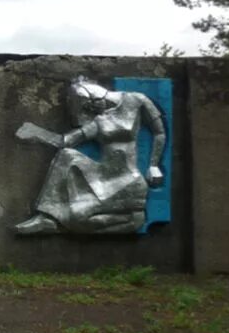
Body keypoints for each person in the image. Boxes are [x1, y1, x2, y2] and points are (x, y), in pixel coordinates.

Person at [14, 77, 166, 235]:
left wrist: (154, 165)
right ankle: (46, 217)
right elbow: (65, 141)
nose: (90, 110)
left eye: (86, 105)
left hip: (128, 180)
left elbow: (159, 132)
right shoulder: (100, 121)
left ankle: (132, 220)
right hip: (103, 178)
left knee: (78, 215)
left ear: (88, 94)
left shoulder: (136, 100)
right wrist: (36, 132)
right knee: (67, 155)